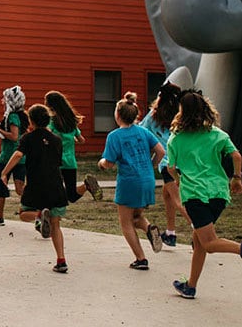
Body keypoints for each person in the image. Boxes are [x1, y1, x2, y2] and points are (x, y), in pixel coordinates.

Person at [165, 90, 242, 298]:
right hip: (218, 194)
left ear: (182, 112)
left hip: (195, 196)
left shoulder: (176, 139)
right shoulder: (217, 134)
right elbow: (236, 155)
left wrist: (179, 179)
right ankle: (190, 286)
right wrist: (236, 177)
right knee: (199, 240)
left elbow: (170, 168)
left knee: (208, 243)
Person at [99, 92, 165, 270]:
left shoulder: (114, 136)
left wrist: (102, 163)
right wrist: (151, 167)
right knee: (137, 216)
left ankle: (141, 259)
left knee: (126, 221)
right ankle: (150, 228)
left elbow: (110, 163)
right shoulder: (144, 132)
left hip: (129, 181)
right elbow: (161, 152)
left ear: (118, 115)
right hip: (147, 179)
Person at [2, 104, 70, 273]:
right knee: (56, 225)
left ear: (31, 121)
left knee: (24, 213)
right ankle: (61, 260)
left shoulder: (27, 138)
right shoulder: (56, 140)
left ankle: (39, 215)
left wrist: (4, 172)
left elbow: (18, 154)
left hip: (36, 185)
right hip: (55, 184)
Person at [140, 83, 191, 247]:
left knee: (177, 200)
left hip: (168, 164)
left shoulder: (154, 116)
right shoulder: (182, 116)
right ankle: (170, 233)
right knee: (167, 195)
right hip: (183, 162)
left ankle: (200, 229)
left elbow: (141, 130)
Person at [44, 91, 102, 207]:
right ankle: (86, 185)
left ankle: (51, 217)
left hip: (56, 162)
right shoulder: (71, 122)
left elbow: (47, 136)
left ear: (50, 106)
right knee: (71, 195)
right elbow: (82, 140)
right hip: (70, 162)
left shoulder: (52, 122)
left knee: (53, 191)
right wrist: (70, 139)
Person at [0, 86, 28, 225]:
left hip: (8, 157)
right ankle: (35, 207)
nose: (2, 101)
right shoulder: (22, 116)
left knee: (1, 186)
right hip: (21, 158)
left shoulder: (12, 116)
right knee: (19, 188)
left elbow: (14, 136)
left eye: (4, 99)